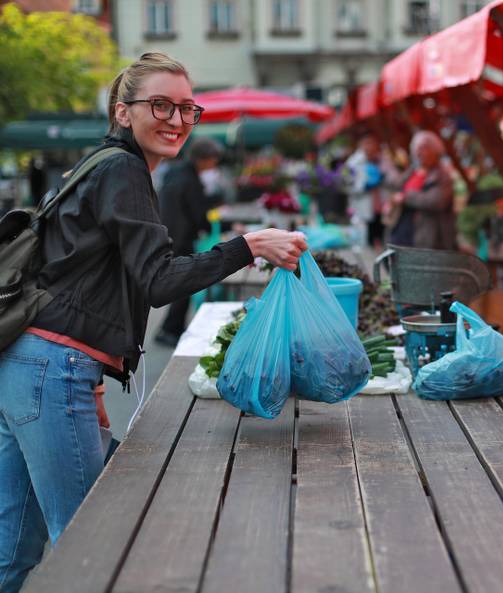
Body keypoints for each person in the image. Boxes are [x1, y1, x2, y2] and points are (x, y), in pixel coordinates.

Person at [0, 52, 307, 593]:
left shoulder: (100, 165)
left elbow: (75, 279)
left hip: (29, 364)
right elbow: (159, 280)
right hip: (51, 369)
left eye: (188, 108)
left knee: (13, 550)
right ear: (124, 111)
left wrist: (91, 379)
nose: (177, 120)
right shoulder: (123, 169)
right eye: (160, 105)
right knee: (94, 548)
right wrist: (250, 245)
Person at [154, 137, 225, 346]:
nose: (214, 164)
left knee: (180, 283)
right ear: (204, 159)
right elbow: (198, 212)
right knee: (183, 284)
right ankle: (170, 330)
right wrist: (215, 225)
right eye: (213, 160)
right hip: (181, 236)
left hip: (168, 233)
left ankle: (172, 328)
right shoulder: (190, 179)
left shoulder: (176, 172)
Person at [387, 130, 456, 250]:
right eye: (416, 148)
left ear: (435, 151)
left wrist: (405, 197)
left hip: (428, 234)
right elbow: (396, 186)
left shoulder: (442, 175)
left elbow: (437, 201)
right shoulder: (413, 171)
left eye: (424, 148)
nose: (419, 152)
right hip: (403, 227)